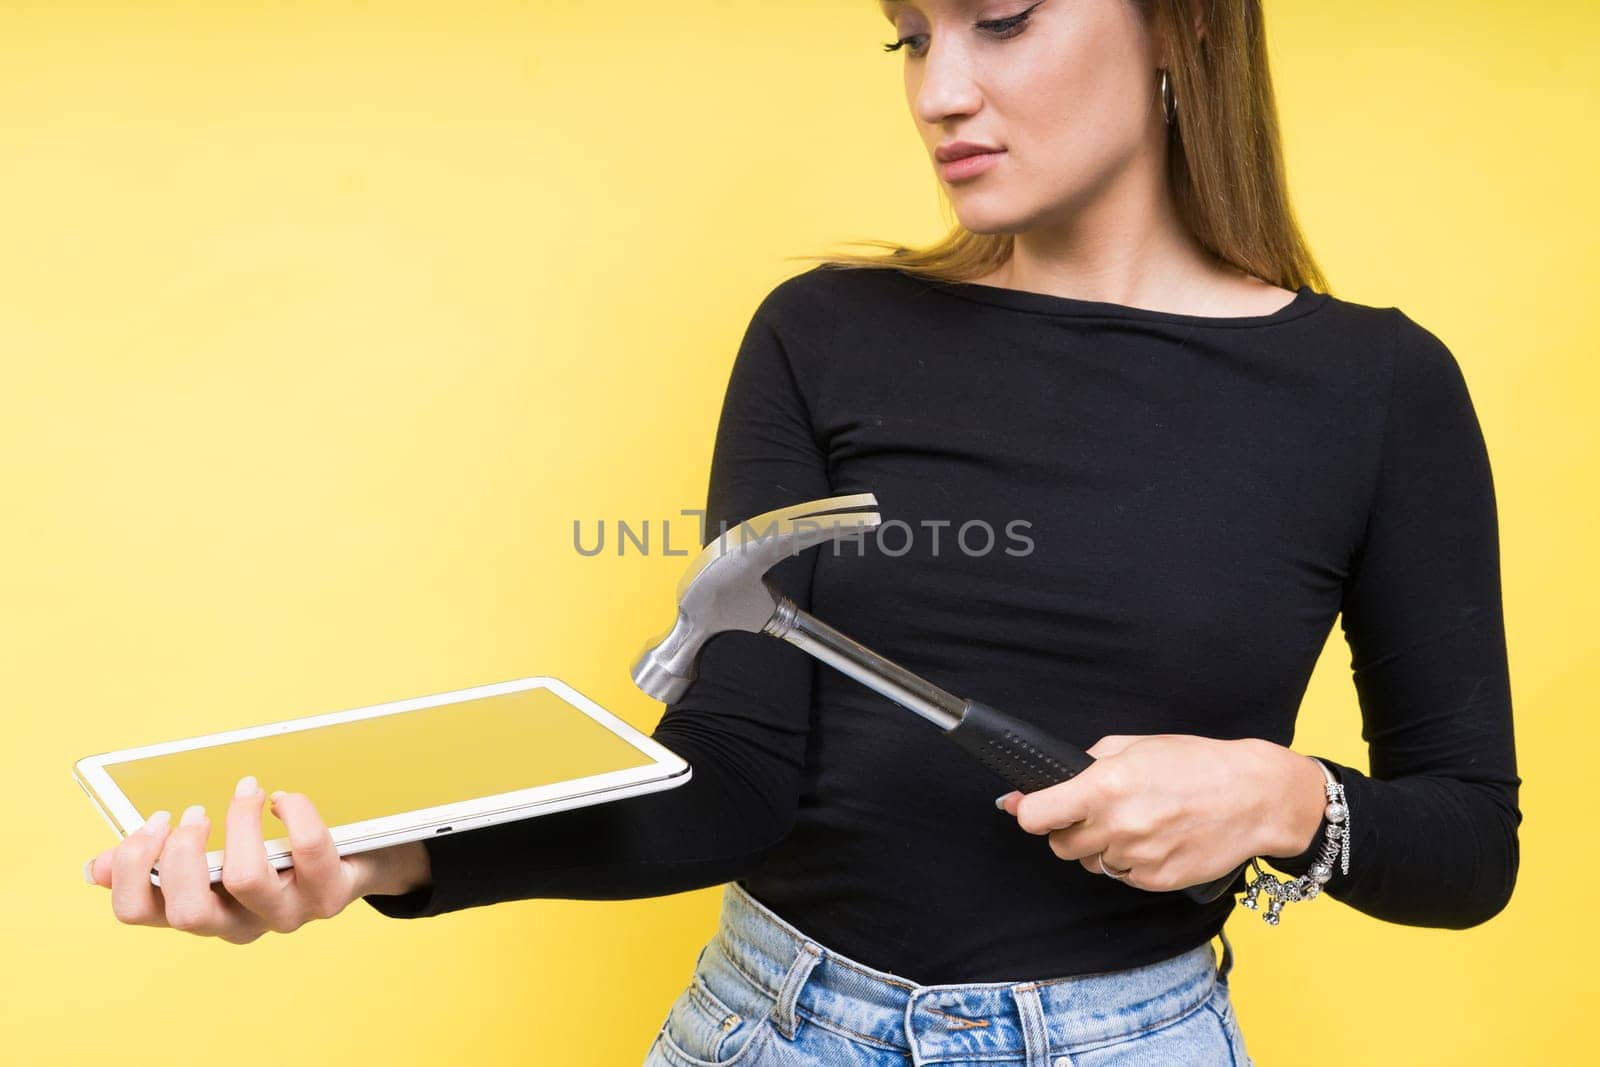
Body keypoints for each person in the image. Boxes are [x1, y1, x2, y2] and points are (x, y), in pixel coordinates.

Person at [85, 1, 1522, 1063]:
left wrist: (1285, 803)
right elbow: (734, 783)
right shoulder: (825, 337)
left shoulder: (1377, 390)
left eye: (1001, 21)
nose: (939, 90)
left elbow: (1469, 844)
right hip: (773, 1027)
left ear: (1182, 27)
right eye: (909, 36)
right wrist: (383, 858)